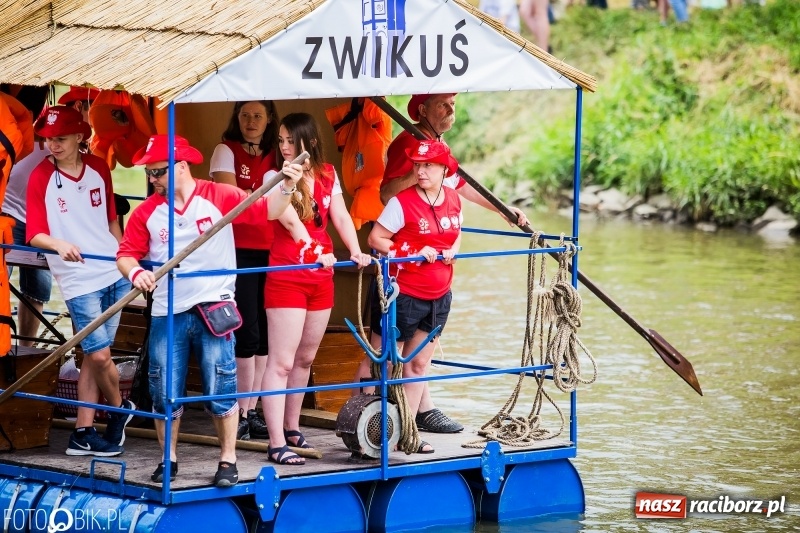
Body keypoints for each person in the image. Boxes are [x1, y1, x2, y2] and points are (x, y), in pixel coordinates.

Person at [117, 134, 304, 487]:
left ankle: (227, 460)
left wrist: (287, 187)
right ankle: (167, 459)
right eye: (150, 173)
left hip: (214, 307)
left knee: (221, 387)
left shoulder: (221, 195)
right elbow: (125, 254)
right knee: (163, 392)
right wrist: (137, 272)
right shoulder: (146, 212)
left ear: (181, 167)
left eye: (157, 172)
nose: (151, 179)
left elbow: (269, 212)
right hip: (167, 311)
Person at [363, 93, 530, 434]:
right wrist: (423, 167)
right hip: (403, 265)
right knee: (383, 350)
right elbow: (387, 193)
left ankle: (417, 414)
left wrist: (502, 210)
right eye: (443, 104)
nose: (451, 109)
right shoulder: (409, 142)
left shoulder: (439, 144)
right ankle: (367, 414)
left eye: (454, 103)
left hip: (435, 277)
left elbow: (461, 186)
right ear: (422, 110)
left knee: (419, 354)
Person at [261, 113, 372, 465]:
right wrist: (289, 184)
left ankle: (292, 426)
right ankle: (276, 440)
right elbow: (275, 211)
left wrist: (354, 250)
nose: (283, 147)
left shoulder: (327, 174)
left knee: (306, 357)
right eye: (280, 141)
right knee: (280, 361)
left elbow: (339, 214)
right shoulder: (273, 175)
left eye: (289, 141)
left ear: (307, 142)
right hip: (288, 273)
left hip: (320, 274)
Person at [25, 106, 134, 456]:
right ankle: (122, 410)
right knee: (100, 356)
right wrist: (58, 244)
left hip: (110, 269)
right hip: (76, 278)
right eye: (48, 140)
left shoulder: (100, 167)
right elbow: (34, 234)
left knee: (91, 354)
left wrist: (124, 260)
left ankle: (82, 432)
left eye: (59, 139)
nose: (52, 145)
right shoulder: (40, 176)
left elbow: (111, 222)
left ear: (78, 137)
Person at [368, 140, 463, 454]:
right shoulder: (402, 202)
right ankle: (365, 427)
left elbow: (457, 232)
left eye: (429, 166)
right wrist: (410, 252)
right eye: (418, 165)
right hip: (403, 292)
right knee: (382, 359)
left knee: (419, 364)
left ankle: (406, 431)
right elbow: (377, 238)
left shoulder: (452, 199)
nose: (421, 171)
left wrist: (453, 252)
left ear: (444, 169)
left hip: (439, 293)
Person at [4, 88, 98, 346]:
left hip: (44, 223)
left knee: (36, 290)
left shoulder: (71, 145)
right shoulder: (21, 135)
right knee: (5, 280)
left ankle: (27, 348)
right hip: (10, 214)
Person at [209, 101, 280, 441]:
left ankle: (255, 410)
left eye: (258, 116)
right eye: (245, 115)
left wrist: (254, 195)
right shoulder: (226, 150)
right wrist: (258, 197)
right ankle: (239, 409)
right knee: (247, 330)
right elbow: (230, 200)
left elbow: (281, 199)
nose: (251, 122)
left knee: (267, 333)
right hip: (239, 250)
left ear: (270, 121)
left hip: (275, 248)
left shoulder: (278, 153)